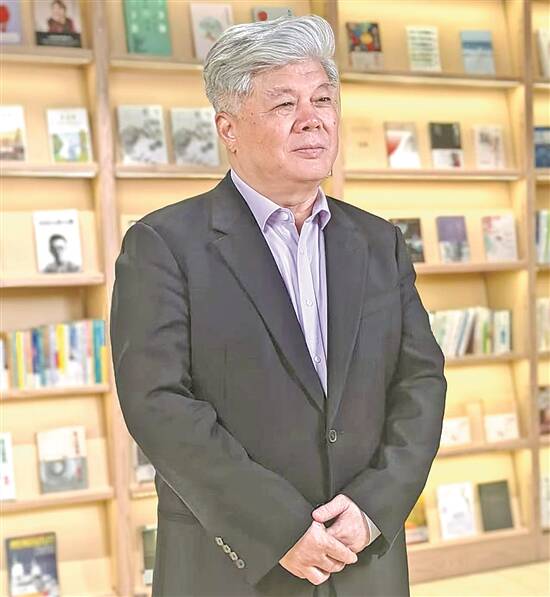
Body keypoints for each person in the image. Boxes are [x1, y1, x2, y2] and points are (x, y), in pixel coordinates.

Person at [109, 15, 446, 597]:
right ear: (228, 127)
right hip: (235, 566)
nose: (313, 119)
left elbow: (421, 381)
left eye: (323, 99)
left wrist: (374, 506)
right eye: (285, 103)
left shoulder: (379, 242)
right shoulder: (163, 244)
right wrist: (280, 528)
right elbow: (158, 404)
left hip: (362, 558)